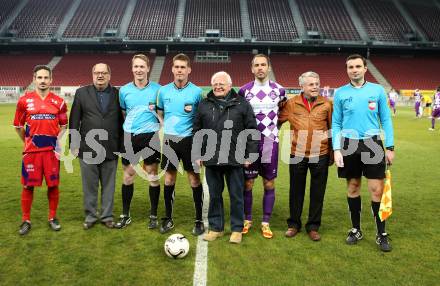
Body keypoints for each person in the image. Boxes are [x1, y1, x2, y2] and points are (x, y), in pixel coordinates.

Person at [332, 54, 395, 252]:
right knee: (353, 187)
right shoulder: (340, 93)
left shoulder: (377, 90)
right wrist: (336, 149)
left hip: (373, 143)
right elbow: (336, 122)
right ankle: (356, 229)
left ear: (365, 68)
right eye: (350, 67)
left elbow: (385, 120)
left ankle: (381, 233)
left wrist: (390, 147)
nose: (354, 70)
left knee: (376, 189)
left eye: (358, 66)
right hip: (349, 144)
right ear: (347, 69)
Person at [193, 71, 258, 244]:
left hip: (234, 157)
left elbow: (252, 130)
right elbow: (197, 131)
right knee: (214, 195)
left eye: (221, 83)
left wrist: (249, 154)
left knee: (236, 195)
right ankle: (216, 228)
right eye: (215, 83)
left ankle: (237, 229)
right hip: (211, 157)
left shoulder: (242, 104)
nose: (218, 86)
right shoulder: (204, 105)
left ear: (230, 85)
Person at [13, 65, 68, 235]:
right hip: (31, 153)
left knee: (53, 185)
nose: (43, 81)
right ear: (34, 79)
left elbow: (64, 126)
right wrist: (29, 142)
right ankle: (26, 220)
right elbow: (18, 126)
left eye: (46, 78)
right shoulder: (24, 101)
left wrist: (57, 144)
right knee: (28, 186)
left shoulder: (59, 102)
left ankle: (52, 217)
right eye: (40, 78)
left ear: (51, 80)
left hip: (51, 153)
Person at [278, 71, 333, 241]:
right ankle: (293, 224)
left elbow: (332, 129)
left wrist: (332, 152)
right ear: (301, 86)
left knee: (318, 192)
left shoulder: (327, 104)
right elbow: (277, 122)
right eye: (311, 84)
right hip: (297, 153)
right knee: (296, 191)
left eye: (317, 83)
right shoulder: (291, 104)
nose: (315, 87)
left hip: (321, 153)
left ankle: (313, 226)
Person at [238, 54, 286, 239]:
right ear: (252, 69)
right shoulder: (244, 91)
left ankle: (265, 222)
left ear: (268, 67)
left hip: (269, 143)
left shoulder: (279, 90)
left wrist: (275, 131)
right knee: (248, 182)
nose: (260, 68)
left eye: (263, 65)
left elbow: (283, 113)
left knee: (269, 182)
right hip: (249, 143)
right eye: (256, 65)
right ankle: (247, 219)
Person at [69, 63, 123, 230]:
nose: (100, 76)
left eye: (104, 73)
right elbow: (74, 120)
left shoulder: (118, 94)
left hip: (110, 147)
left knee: (109, 185)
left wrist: (122, 146)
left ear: (109, 75)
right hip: (87, 148)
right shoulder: (81, 93)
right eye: (97, 73)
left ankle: (107, 216)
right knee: (89, 185)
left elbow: (122, 122)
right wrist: (74, 143)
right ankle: (91, 216)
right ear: (92, 75)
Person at [157, 53, 204, 235]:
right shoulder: (163, 91)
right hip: (170, 140)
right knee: (169, 179)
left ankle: (199, 220)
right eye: (176, 67)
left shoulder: (197, 92)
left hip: (190, 141)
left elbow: (201, 118)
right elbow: (160, 113)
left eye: (183, 67)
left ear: (189, 70)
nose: (179, 70)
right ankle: (168, 218)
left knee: (194, 179)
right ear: (172, 69)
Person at [114, 54, 162, 229]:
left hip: (150, 137)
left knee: (152, 176)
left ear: (148, 68)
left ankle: (153, 215)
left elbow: (161, 114)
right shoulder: (124, 91)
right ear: (132, 69)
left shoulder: (158, 90)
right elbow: (124, 113)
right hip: (130, 137)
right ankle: (125, 214)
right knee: (128, 175)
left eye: (142, 66)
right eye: (136, 67)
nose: (139, 70)